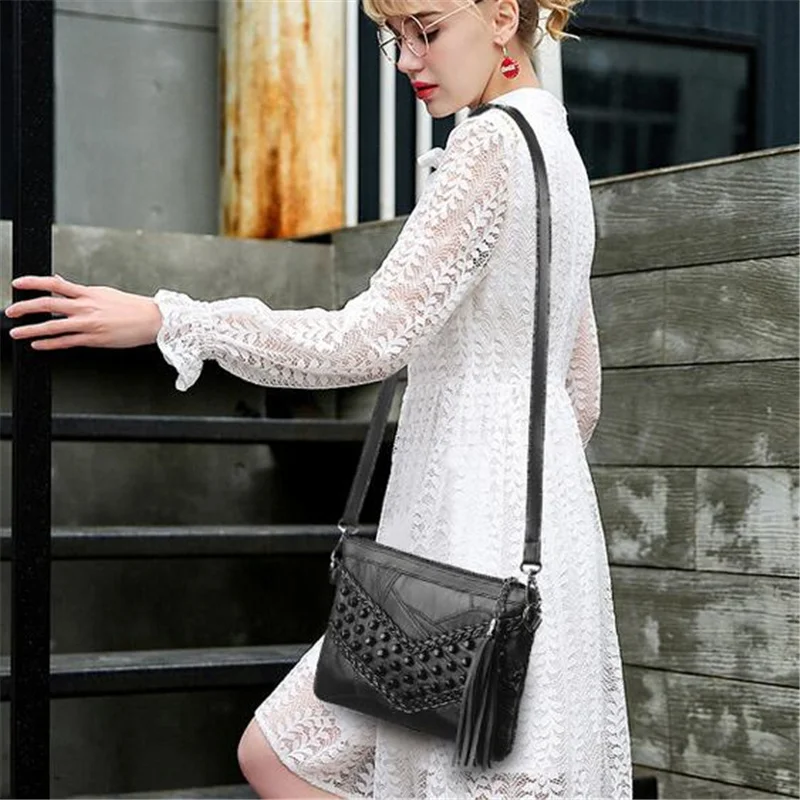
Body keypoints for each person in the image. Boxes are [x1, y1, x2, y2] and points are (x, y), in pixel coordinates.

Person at [5, 0, 632, 796]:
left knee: (283, 756)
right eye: (393, 35)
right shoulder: (559, 152)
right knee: (322, 756)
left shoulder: (487, 146)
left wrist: (173, 319)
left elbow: (365, 341)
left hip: (462, 525)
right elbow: (580, 387)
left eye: (428, 29)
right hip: (549, 535)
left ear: (502, 15)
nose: (407, 59)